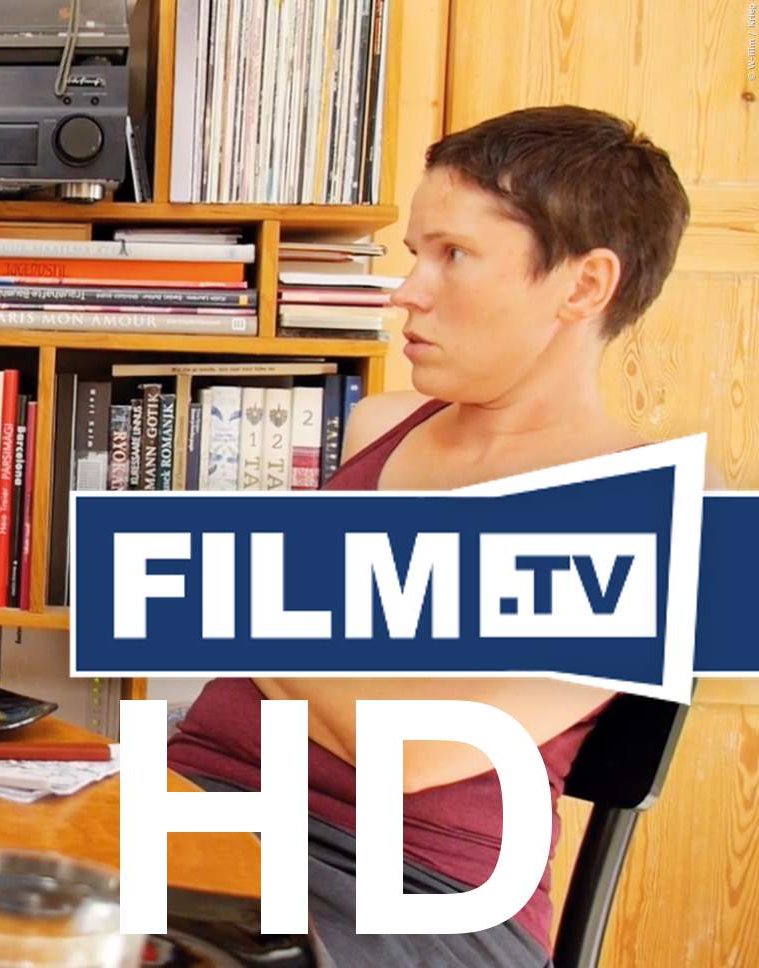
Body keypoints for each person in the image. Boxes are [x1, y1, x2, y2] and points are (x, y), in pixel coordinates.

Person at [166, 105, 713, 966]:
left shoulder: (651, 512)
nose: (408, 291)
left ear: (583, 286)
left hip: (411, 897)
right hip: (199, 810)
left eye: (453, 254)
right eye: (416, 253)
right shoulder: (381, 426)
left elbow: (406, 750)